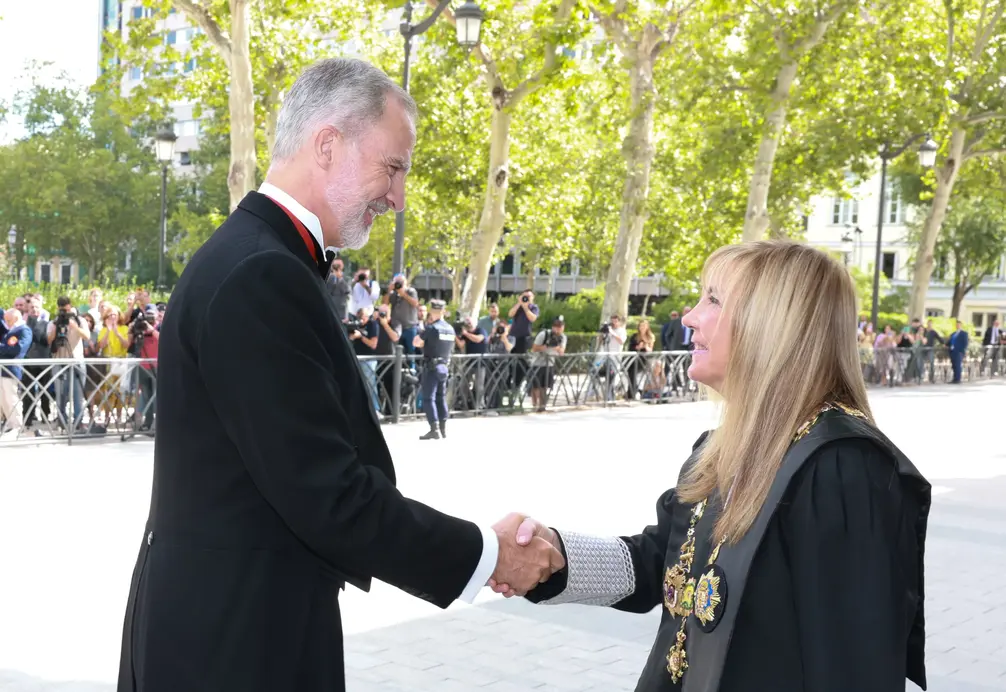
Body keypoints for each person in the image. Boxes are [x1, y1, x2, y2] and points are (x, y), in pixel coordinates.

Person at [116, 58, 562, 692]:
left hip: (230, 627)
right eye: (394, 167)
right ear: (327, 144)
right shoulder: (260, 274)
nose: (398, 196)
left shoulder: (257, 258)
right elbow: (326, 492)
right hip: (236, 646)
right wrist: (486, 554)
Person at [490, 240, 931, 692]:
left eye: (714, 299)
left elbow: (852, 667)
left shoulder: (841, 466)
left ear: (774, 323)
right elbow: (663, 563)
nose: (689, 316)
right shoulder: (721, 447)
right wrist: (555, 557)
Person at [412, 298, 453, 440]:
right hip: (444, 367)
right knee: (441, 397)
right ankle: (443, 429)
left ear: (432, 311)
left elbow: (416, 342)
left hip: (431, 366)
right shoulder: (450, 328)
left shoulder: (432, 328)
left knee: (428, 398)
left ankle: (434, 428)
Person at [948, 319, 968, 383]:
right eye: (957, 325)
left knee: (957, 365)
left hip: (959, 351)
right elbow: (949, 341)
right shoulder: (953, 334)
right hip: (952, 351)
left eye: (959, 325)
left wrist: (961, 351)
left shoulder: (964, 333)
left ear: (961, 325)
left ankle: (958, 379)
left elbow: (965, 343)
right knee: (954, 365)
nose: (958, 326)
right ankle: (954, 378)